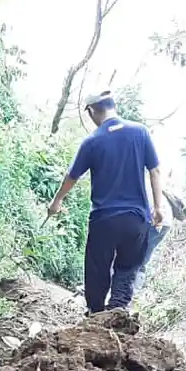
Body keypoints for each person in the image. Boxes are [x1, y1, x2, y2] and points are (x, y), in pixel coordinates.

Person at [47, 90, 166, 314]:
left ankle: (96, 315)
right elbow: (155, 170)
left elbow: (72, 176)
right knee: (127, 268)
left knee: (97, 269)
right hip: (135, 219)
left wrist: (56, 202)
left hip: (104, 219)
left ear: (92, 111)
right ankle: (118, 313)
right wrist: (158, 207)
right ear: (113, 105)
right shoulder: (140, 132)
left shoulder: (92, 141)